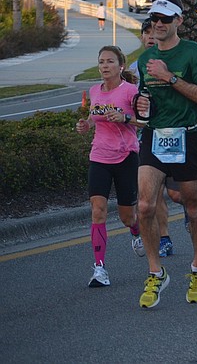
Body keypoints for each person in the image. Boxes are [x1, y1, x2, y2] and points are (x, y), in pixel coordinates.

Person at [135, 0, 197, 309]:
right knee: (144, 206)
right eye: (153, 19)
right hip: (154, 137)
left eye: (164, 19)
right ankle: (156, 272)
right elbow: (144, 107)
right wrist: (140, 106)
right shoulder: (143, 60)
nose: (157, 24)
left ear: (178, 22)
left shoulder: (194, 55)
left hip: (186, 137)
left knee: (193, 207)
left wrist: (169, 77)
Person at [76, 46, 145, 288]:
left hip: (126, 157)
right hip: (99, 157)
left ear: (121, 66)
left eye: (110, 61)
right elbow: (93, 118)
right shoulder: (95, 91)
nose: (104, 66)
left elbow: (145, 122)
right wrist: (85, 125)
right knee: (98, 210)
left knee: (127, 216)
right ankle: (99, 268)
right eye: (101, 61)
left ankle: (136, 232)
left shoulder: (130, 91)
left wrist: (126, 118)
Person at [129, 19, 184, 259]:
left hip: (172, 133)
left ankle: (192, 210)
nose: (151, 37)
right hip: (146, 135)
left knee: (176, 194)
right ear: (142, 37)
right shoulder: (133, 68)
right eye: (146, 33)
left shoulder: (171, 63)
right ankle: (164, 238)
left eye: (154, 32)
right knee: (153, 193)